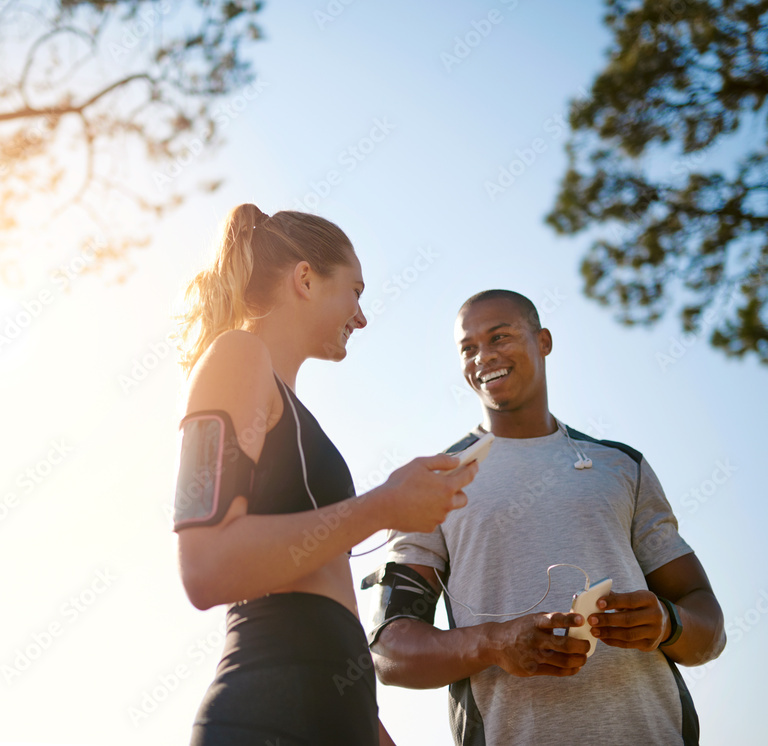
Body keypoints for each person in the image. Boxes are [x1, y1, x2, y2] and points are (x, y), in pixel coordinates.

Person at [172, 203, 478, 746]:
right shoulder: (236, 356)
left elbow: (326, 600)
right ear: (306, 279)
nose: (361, 317)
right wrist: (384, 505)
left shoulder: (296, 411)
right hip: (266, 715)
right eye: (355, 292)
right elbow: (206, 565)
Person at [366, 289, 726, 746]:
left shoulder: (623, 466)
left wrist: (666, 622)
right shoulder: (436, 481)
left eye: (500, 337)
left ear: (544, 341)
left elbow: (708, 624)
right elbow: (389, 650)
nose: (484, 357)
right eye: (468, 348)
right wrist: (495, 643)